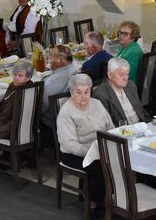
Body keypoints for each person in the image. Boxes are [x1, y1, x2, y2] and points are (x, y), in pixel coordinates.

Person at [57, 73, 114, 214]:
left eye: (87, 92)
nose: (83, 96)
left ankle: (114, 200)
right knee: (99, 166)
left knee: (120, 161)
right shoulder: (66, 113)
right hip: (73, 153)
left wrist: (108, 147)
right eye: (79, 92)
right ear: (71, 92)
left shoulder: (97, 104)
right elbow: (70, 144)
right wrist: (93, 153)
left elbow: (111, 127)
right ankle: (97, 206)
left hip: (99, 148)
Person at [0, 61, 34, 139]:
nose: (16, 78)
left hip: (12, 130)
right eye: (15, 74)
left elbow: (19, 120)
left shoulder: (28, 92)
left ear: (28, 78)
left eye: (20, 75)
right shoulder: (13, 85)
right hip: (2, 123)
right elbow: (0, 105)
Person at [93, 57, 151, 127]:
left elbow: (140, 110)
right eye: (121, 75)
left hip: (142, 127)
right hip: (123, 133)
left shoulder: (131, 85)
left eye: (127, 74)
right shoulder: (101, 95)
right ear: (110, 75)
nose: (125, 78)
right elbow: (107, 125)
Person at [40, 45, 74, 147]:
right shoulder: (74, 70)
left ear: (60, 61)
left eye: (51, 56)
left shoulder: (51, 83)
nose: (48, 58)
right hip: (69, 116)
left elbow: (42, 108)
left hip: (52, 122)